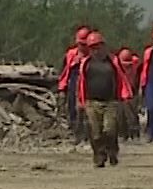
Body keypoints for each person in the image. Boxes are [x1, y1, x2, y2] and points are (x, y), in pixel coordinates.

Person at [76, 31, 133, 168]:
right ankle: (99, 157)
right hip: (92, 102)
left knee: (110, 130)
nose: (96, 50)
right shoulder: (86, 63)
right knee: (95, 132)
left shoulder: (113, 61)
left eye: (98, 46)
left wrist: (125, 96)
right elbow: (81, 83)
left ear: (103, 46)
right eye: (92, 47)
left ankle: (112, 151)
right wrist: (80, 100)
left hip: (110, 102)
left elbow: (121, 79)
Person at [57, 26, 91, 143]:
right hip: (73, 83)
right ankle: (76, 134)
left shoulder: (93, 56)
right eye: (80, 44)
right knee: (72, 108)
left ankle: (87, 134)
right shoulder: (71, 54)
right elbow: (64, 72)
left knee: (87, 110)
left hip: (88, 85)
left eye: (84, 44)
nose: (82, 47)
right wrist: (62, 88)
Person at [115, 46, 143, 140]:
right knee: (120, 114)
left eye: (129, 65)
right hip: (119, 93)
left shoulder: (136, 65)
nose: (127, 67)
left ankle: (135, 134)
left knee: (132, 114)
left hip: (132, 92)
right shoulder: (115, 66)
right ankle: (123, 134)